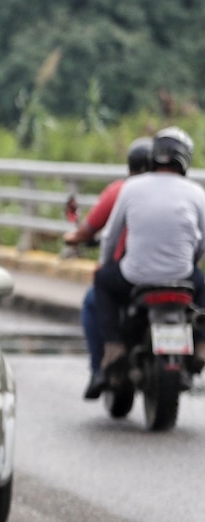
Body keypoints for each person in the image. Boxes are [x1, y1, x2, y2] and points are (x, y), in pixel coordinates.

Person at [91, 125, 205, 385]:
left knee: (102, 281)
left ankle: (114, 346)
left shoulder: (131, 187)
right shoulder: (197, 193)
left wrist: (106, 264)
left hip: (134, 276)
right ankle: (201, 345)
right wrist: (191, 262)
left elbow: (110, 236)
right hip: (182, 275)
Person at [64, 136, 151, 398]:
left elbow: (92, 230)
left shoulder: (122, 191)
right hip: (177, 275)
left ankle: (101, 366)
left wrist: (76, 238)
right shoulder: (183, 190)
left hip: (130, 275)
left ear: (130, 166)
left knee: (94, 300)